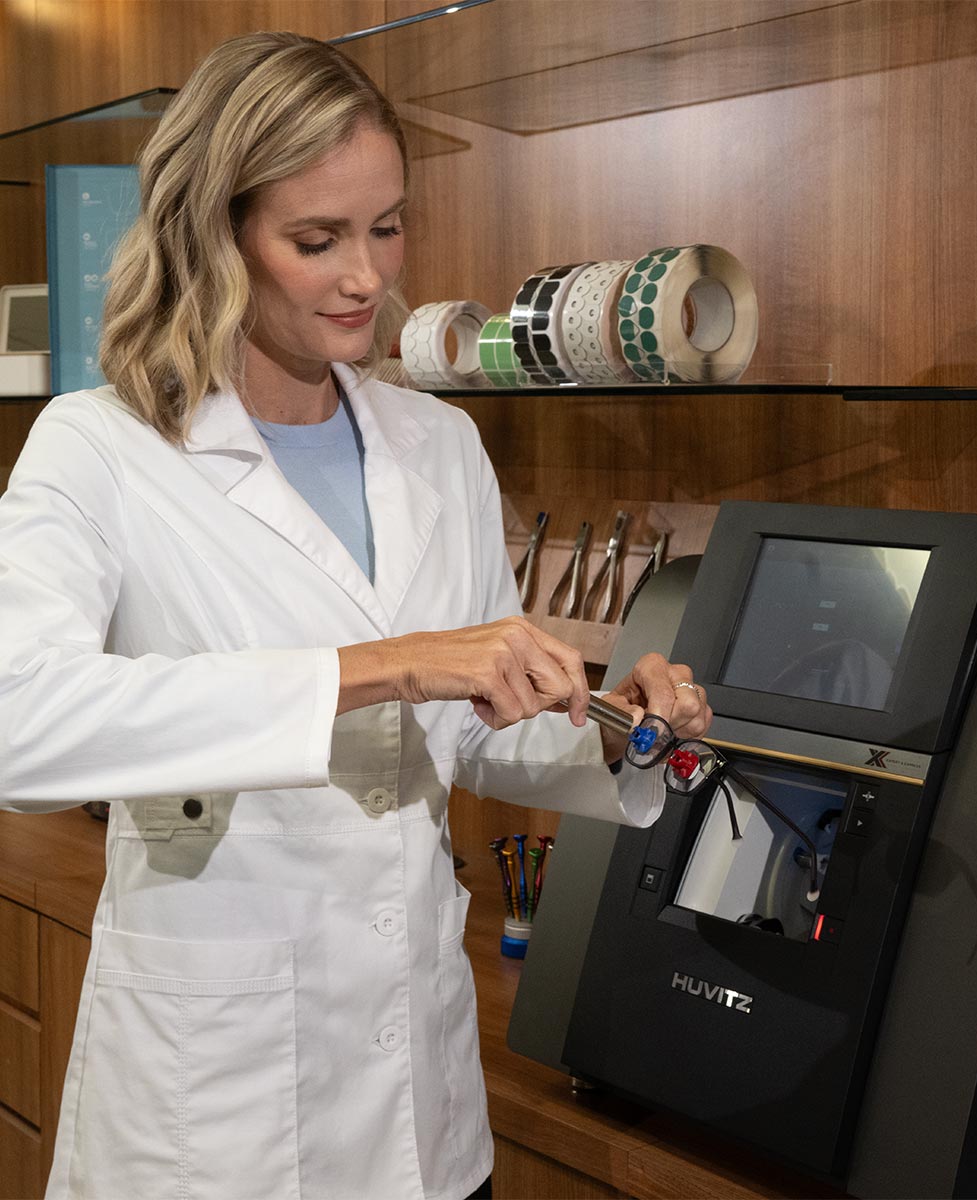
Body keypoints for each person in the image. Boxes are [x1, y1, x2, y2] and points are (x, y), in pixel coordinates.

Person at [0, 31, 711, 1200]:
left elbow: (470, 729)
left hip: (420, 1092)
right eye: (316, 239)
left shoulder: (440, 443)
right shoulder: (101, 447)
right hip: (215, 1120)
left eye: (387, 227)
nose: (368, 278)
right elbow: (22, 726)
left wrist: (608, 726)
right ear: (216, 235)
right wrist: (390, 664)